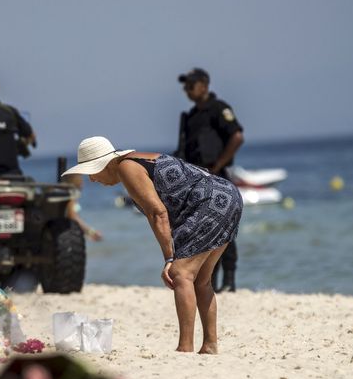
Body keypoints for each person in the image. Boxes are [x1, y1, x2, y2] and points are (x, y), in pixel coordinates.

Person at [63, 136, 243, 354]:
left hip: (210, 202)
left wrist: (169, 259)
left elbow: (157, 213)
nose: (91, 179)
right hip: (228, 195)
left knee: (180, 274)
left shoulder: (127, 168)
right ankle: (210, 344)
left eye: (91, 171)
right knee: (201, 280)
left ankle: (185, 347)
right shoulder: (137, 159)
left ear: (105, 163)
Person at [175, 68, 244, 293]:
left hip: (218, 177)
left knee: (223, 227)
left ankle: (229, 280)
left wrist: (218, 165)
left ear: (204, 85)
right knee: (201, 229)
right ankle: (209, 280)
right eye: (185, 87)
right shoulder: (191, 116)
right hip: (196, 180)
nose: (187, 91)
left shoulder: (219, 109)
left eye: (190, 86)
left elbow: (237, 136)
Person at [62, 174, 102, 241]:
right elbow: (73, 217)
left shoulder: (66, 195)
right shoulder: (70, 197)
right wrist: (91, 231)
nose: (83, 183)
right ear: (76, 182)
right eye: (81, 180)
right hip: (70, 234)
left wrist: (87, 235)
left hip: (67, 233)